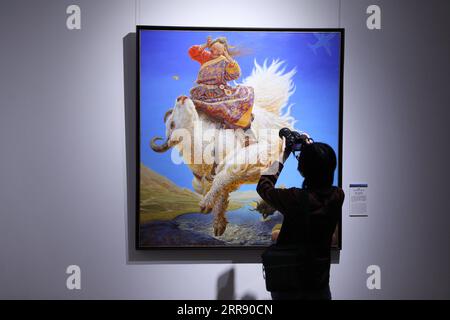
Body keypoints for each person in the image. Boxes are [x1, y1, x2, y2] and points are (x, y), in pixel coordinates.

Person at [256, 140, 344, 300]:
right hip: (319, 286)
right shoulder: (337, 196)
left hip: (288, 286)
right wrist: (311, 149)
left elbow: (264, 185)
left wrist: (284, 155)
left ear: (301, 169)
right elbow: (317, 169)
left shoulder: (294, 198)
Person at [188, 36, 255, 132]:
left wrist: (228, 57)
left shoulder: (224, 61)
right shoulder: (206, 56)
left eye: (218, 51)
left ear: (223, 51)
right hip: (201, 92)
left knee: (228, 110)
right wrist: (205, 45)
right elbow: (193, 53)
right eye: (213, 49)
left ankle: (242, 130)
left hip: (218, 92)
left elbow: (235, 74)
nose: (215, 52)